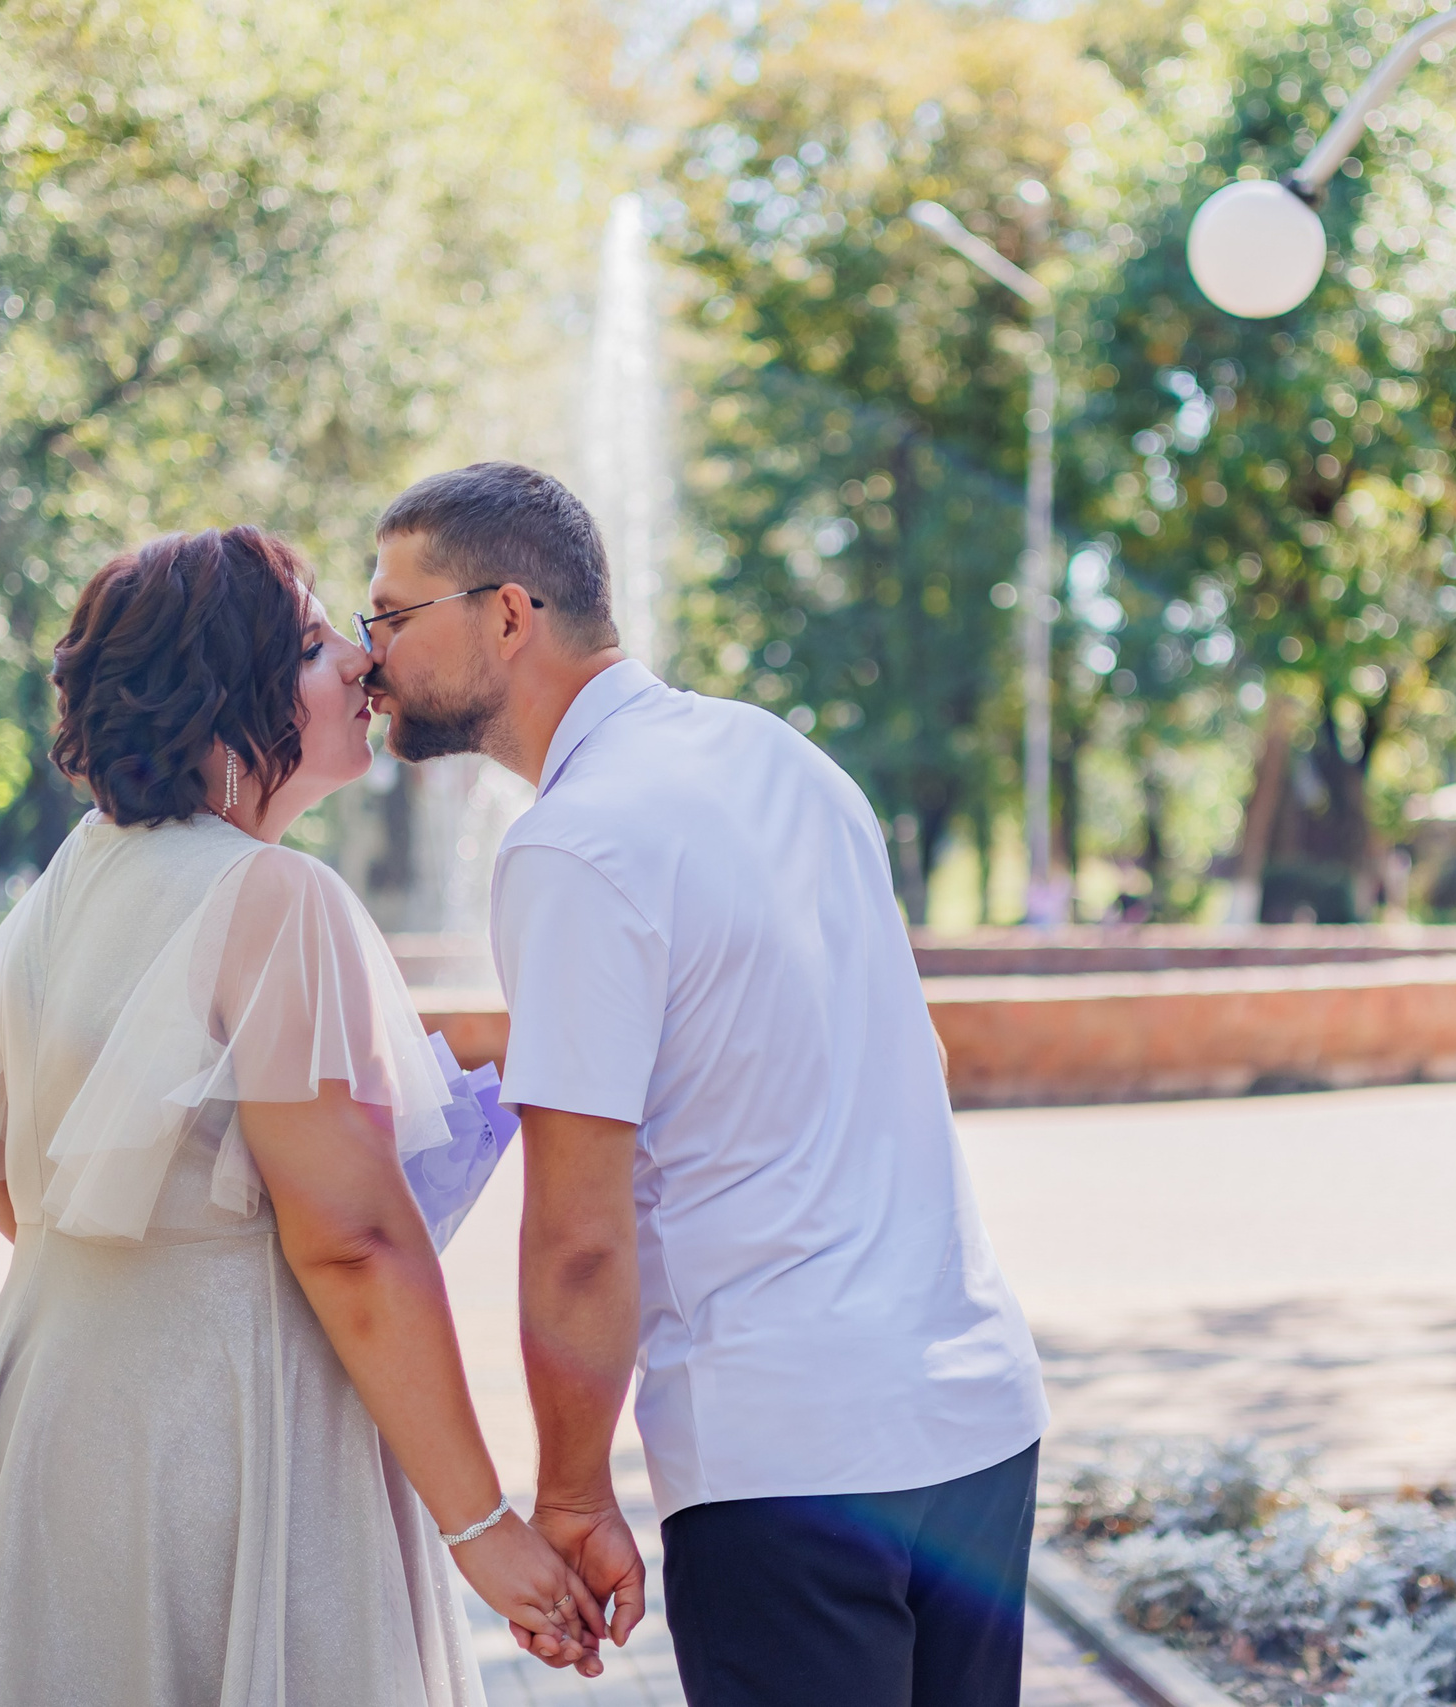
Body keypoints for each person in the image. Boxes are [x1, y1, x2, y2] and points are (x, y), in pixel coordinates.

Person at [0, 525, 603, 1707]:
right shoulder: (274, 897)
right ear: (223, 704)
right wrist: (482, 1530)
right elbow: (352, 1247)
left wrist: (150, 1272)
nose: (360, 662)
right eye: (314, 648)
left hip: (55, 1399)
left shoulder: (78, 873)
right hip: (224, 1431)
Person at [359, 463, 1051, 1707]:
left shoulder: (573, 843)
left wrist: (572, 1496)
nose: (370, 656)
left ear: (506, 615)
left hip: (787, 1459)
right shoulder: (783, 757)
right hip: (975, 1415)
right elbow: (909, 1060)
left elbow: (579, 1234)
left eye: (394, 615)